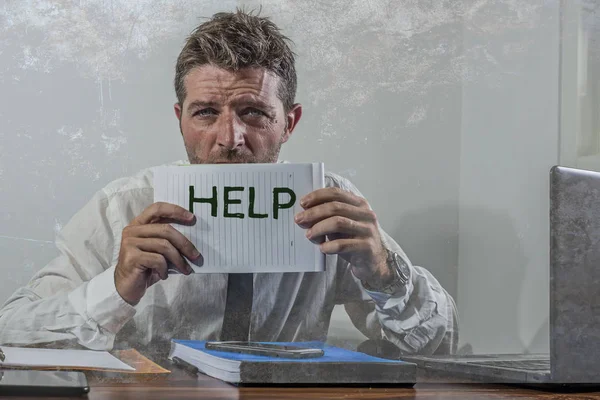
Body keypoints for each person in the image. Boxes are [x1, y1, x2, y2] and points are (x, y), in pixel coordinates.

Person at [0, 9, 457, 355]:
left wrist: (385, 276)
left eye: (253, 113)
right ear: (180, 119)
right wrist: (116, 289)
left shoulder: (329, 205)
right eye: (205, 113)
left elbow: (439, 347)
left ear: (289, 123)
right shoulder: (122, 207)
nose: (229, 139)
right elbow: (12, 333)